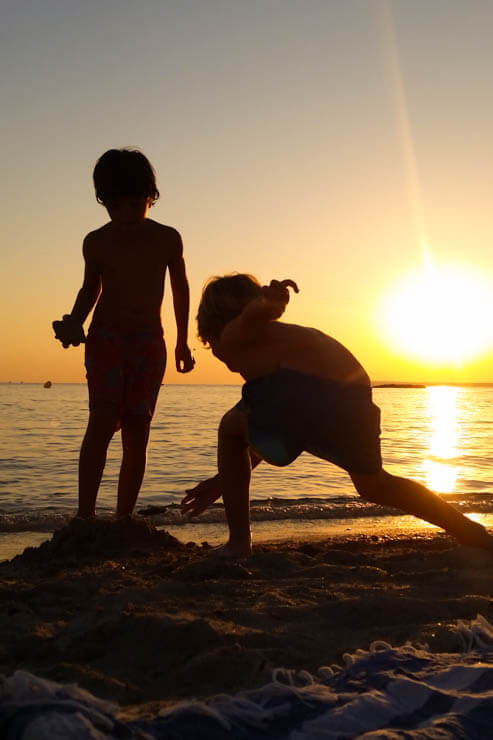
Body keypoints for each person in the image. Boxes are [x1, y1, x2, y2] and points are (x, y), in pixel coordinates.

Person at [181, 274, 493, 557]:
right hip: (354, 396)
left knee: (229, 428)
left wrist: (268, 302)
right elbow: (275, 428)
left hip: (310, 390)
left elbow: (251, 319)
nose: (216, 353)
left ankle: (238, 543)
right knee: (375, 485)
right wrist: (224, 480)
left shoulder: (235, 334)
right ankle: (469, 532)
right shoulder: (282, 343)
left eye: (210, 344)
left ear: (214, 325)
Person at [53, 148, 195, 519]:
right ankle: (85, 516)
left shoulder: (166, 238)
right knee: (101, 420)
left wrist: (182, 341)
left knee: (137, 427)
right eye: (117, 206)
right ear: (104, 202)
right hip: (107, 340)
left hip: (149, 343)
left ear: (151, 196)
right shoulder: (97, 242)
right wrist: (74, 321)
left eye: (136, 204)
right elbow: (90, 289)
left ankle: (122, 518)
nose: (128, 214)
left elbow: (180, 289)